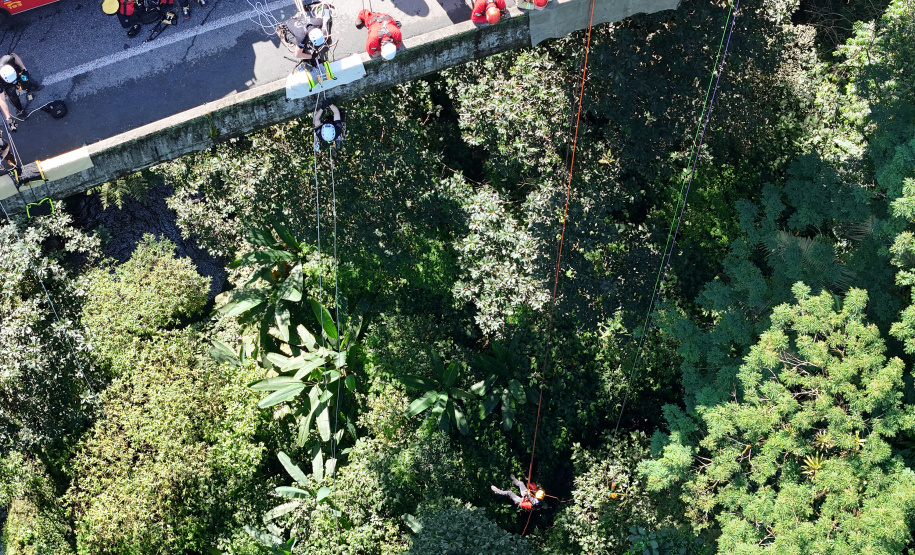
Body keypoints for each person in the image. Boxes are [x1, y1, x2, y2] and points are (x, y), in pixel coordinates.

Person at [0, 53, 40, 119]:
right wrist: (8, 117)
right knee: (13, 97)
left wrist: (24, 68)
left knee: (24, 81)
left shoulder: (6, 59)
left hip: (17, 74)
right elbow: (1, 100)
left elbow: (14, 56)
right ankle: (20, 110)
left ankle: (30, 86)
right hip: (6, 85)